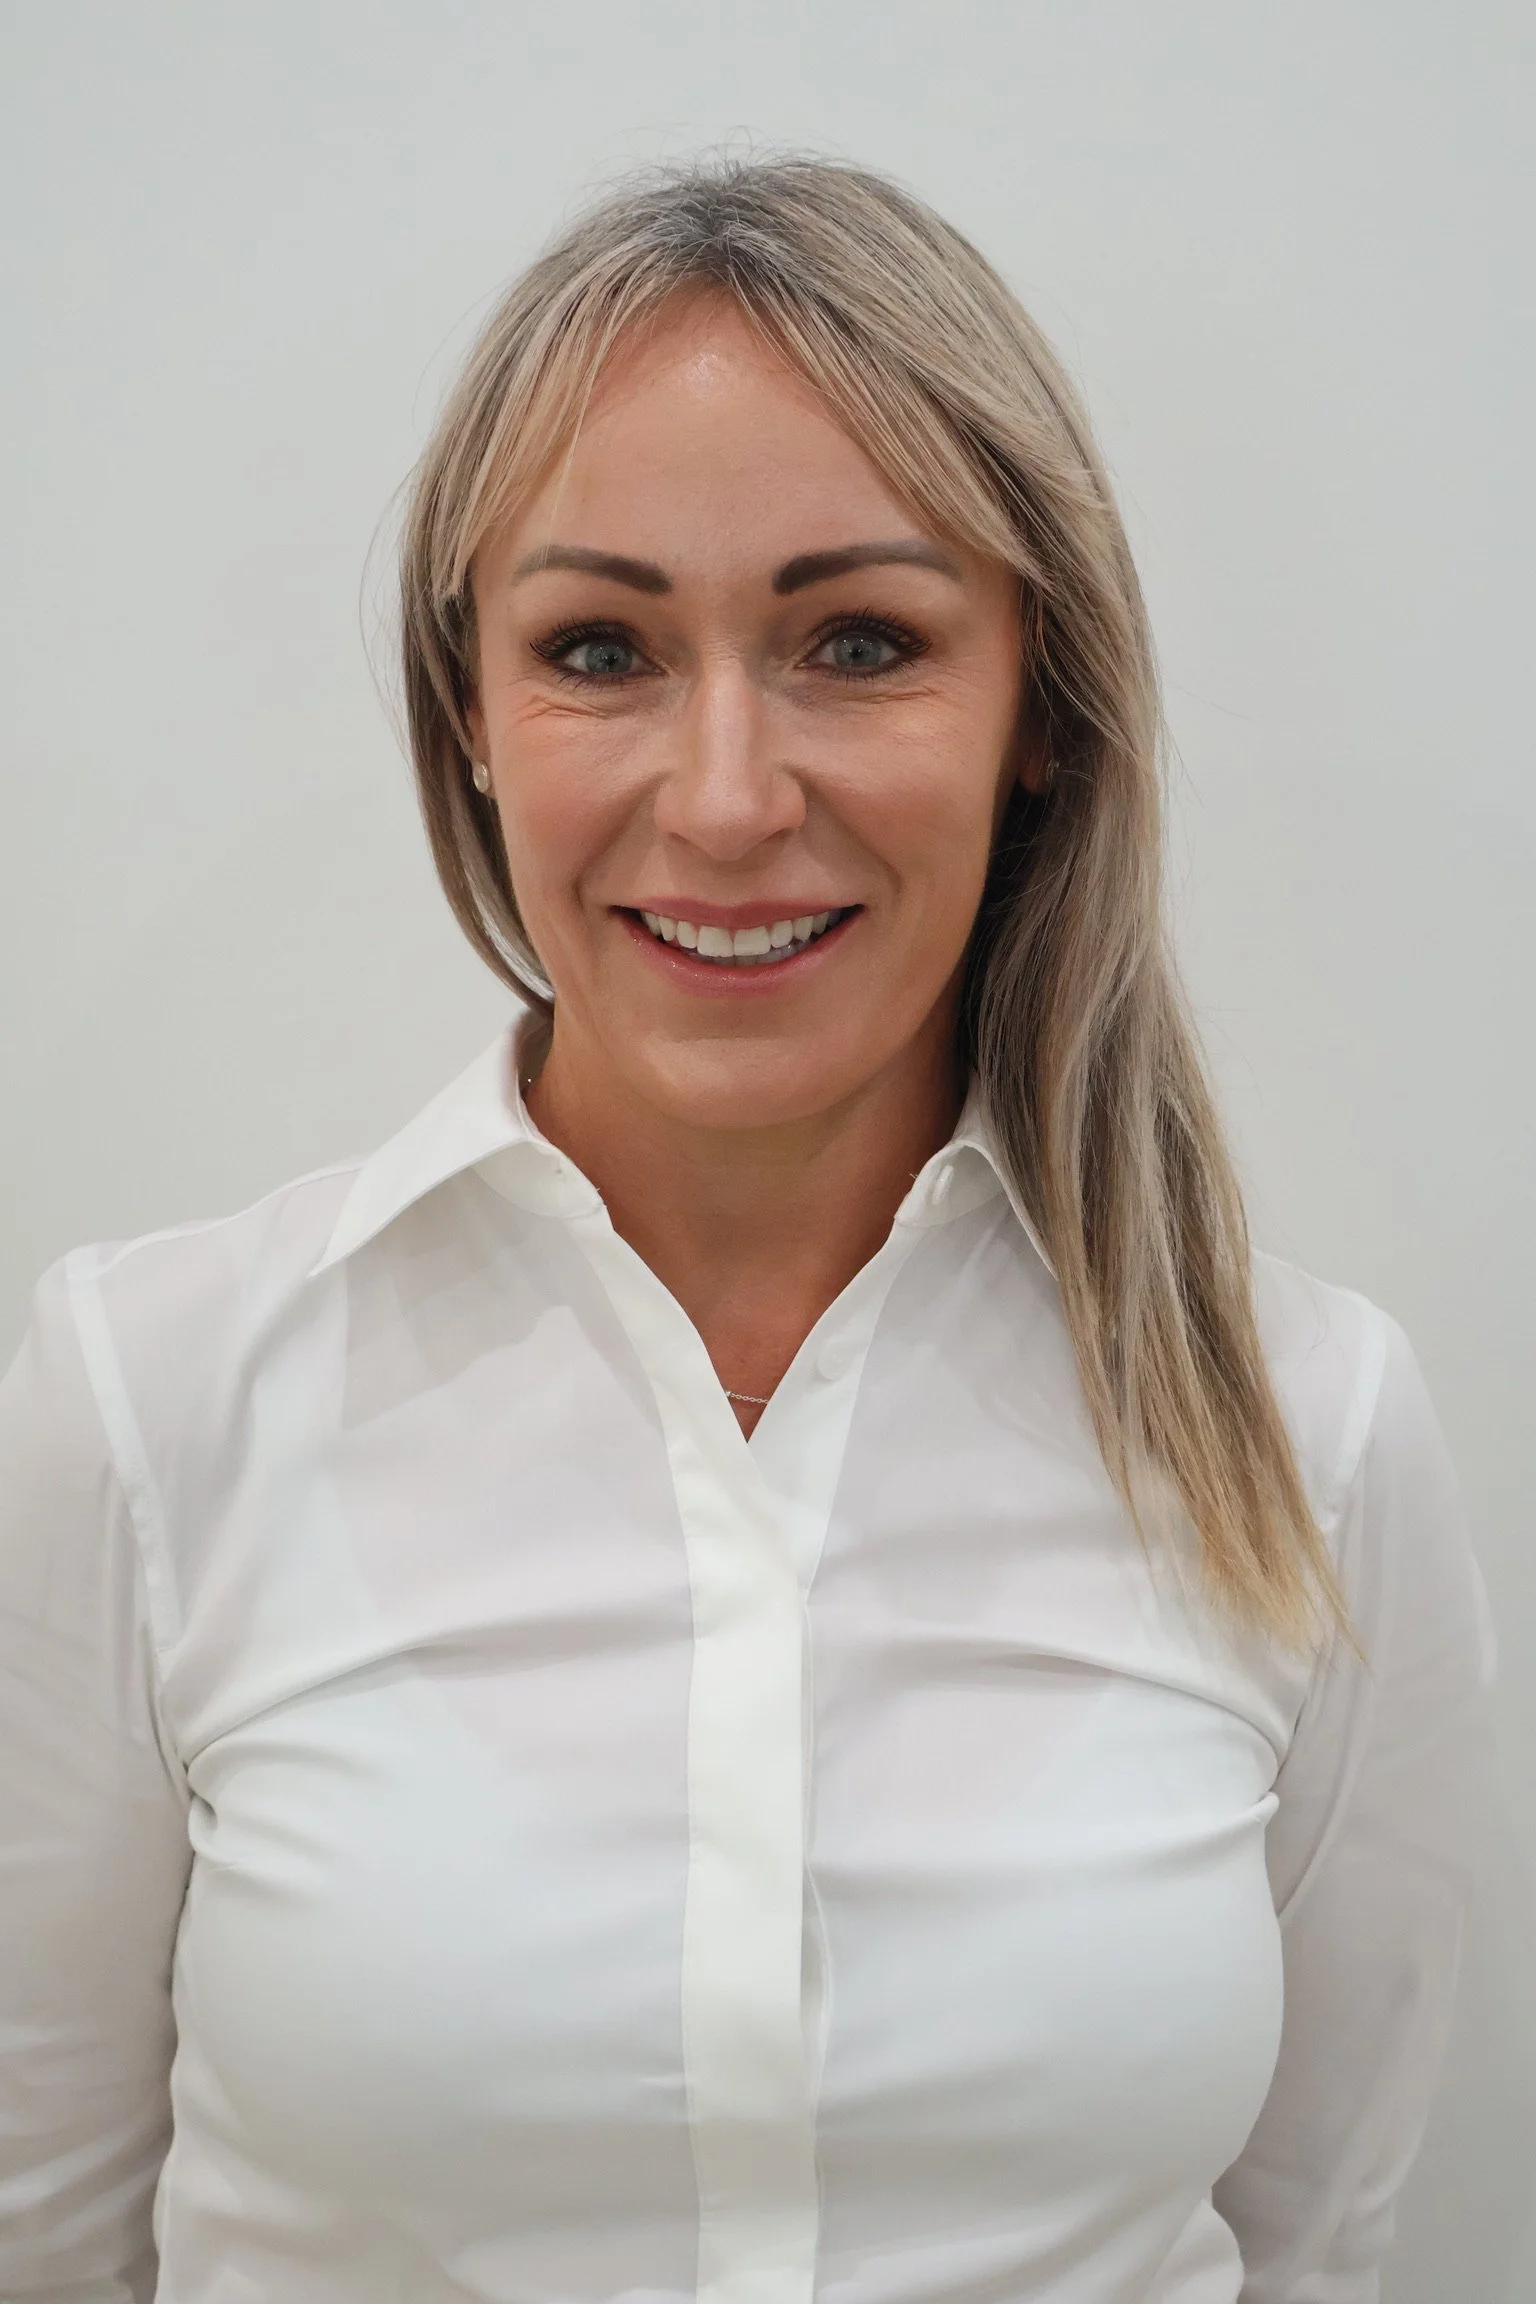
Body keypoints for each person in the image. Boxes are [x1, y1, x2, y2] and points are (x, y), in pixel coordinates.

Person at [0, 155, 1498, 2304]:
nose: (722, 798)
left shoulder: (1310, 1427)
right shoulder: (146, 1405)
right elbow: (40, 2235)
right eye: (598, 649)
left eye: (859, 643)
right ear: (471, 717)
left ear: (1042, 709)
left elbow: (1328, 2245)